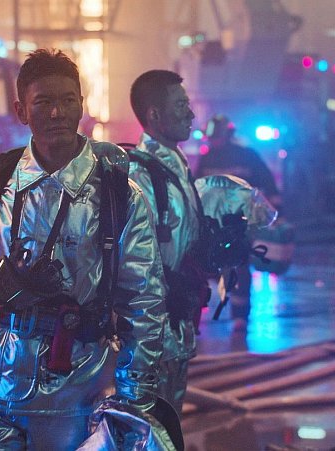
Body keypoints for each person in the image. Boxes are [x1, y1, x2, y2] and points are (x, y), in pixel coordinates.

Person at [0, 49, 166, 450]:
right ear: (21, 111)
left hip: (77, 396)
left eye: (67, 101)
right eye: (43, 102)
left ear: (81, 105)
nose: (56, 113)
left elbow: (143, 298)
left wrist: (134, 393)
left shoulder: (118, 193)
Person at [127, 69, 204, 414]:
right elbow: (133, 263)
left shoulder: (175, 169)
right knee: (148, 428)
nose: (191, 114)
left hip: (176, 330)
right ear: (154, 115)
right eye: (181, 105)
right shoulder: (139, 176)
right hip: (150, 340)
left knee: (170, 423)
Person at [196, 115, 281, 332]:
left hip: (241, 223)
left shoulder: (246, 156)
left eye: (216, 136)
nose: (213, 140)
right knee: (211, 265)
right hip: (215, 224)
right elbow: (195, 189)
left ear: (228, 134)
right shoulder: (208, 158)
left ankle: (240, 315)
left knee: (240, 267)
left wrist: (276, 212)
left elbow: (267, 182)